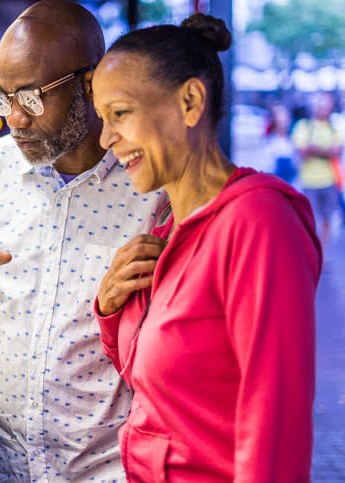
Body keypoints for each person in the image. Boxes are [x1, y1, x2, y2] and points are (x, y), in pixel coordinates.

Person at [0, 1, 166, 480]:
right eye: (1, 97)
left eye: (32, 96)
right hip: (1, 466)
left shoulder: (151, 187)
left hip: (106, 471)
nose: (13, 117)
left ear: (90, 83)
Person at [91, 13, 321, 481]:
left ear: (191, 101)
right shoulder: (166, 230)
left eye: (120, 113)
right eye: (102, 119)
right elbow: (157, 383)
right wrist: (111, 307)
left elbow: (275, 428)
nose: (105, 139)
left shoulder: (258, 222)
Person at [291, 91, 343, 249]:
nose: (323, 108)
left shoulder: (334, 128)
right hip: (309, 181)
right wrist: (325, 151)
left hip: (329, 180)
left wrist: (315, 149)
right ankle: (309, 252)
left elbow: (338, 151)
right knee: (308, 220)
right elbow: (302, 151)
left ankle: (322, 252)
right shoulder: (303, 126)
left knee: (327, 218)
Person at [265, 103, 299, 185]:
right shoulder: (269, 142)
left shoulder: (293, 140)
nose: (283, 121)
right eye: (279, 117)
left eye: (285, 117)